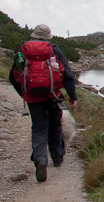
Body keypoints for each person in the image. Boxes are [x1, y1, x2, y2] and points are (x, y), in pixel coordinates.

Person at [9, 24, 77, 182]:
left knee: (39, 126)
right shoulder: (54, 50)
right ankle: (57, 157)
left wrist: (23, 93)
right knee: (55, 124)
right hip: (53, 95)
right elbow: (67, 75)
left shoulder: (23, 50)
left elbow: (13, 76)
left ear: (33, 35)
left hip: (32, 96)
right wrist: (72, 96)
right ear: (48, 36)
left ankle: (40, 159)